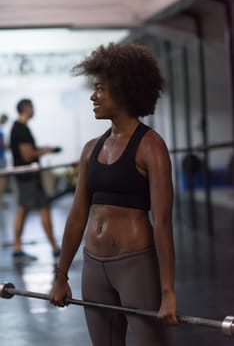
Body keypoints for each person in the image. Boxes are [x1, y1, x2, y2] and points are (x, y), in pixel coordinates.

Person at [49, 42, 178, 345]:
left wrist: (168, 292)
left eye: (100, 89)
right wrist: (61, 274)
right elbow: (78, 214)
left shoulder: (151, 146)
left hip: (135, 266)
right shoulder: (91, 148)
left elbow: (162, 223)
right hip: (94, 267)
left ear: (122, 89)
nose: (93, 97)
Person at [10, 99, 61, 261]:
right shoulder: (21, 129)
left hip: (26, 177)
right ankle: (54, 247)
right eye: (33, 107)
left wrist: (43, 149)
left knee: (23, 210)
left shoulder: (18, 128)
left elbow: (29, 151)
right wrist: (44, 151)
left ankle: (18, 248)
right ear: (26, 108)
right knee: (42, 207)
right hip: (28, 177)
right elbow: (27, 155)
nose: (34, 110)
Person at [0, 113, 9, 207]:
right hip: (1, 157)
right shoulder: (0, 130)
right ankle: (1, 200)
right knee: (2, 180)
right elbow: (2, 144)